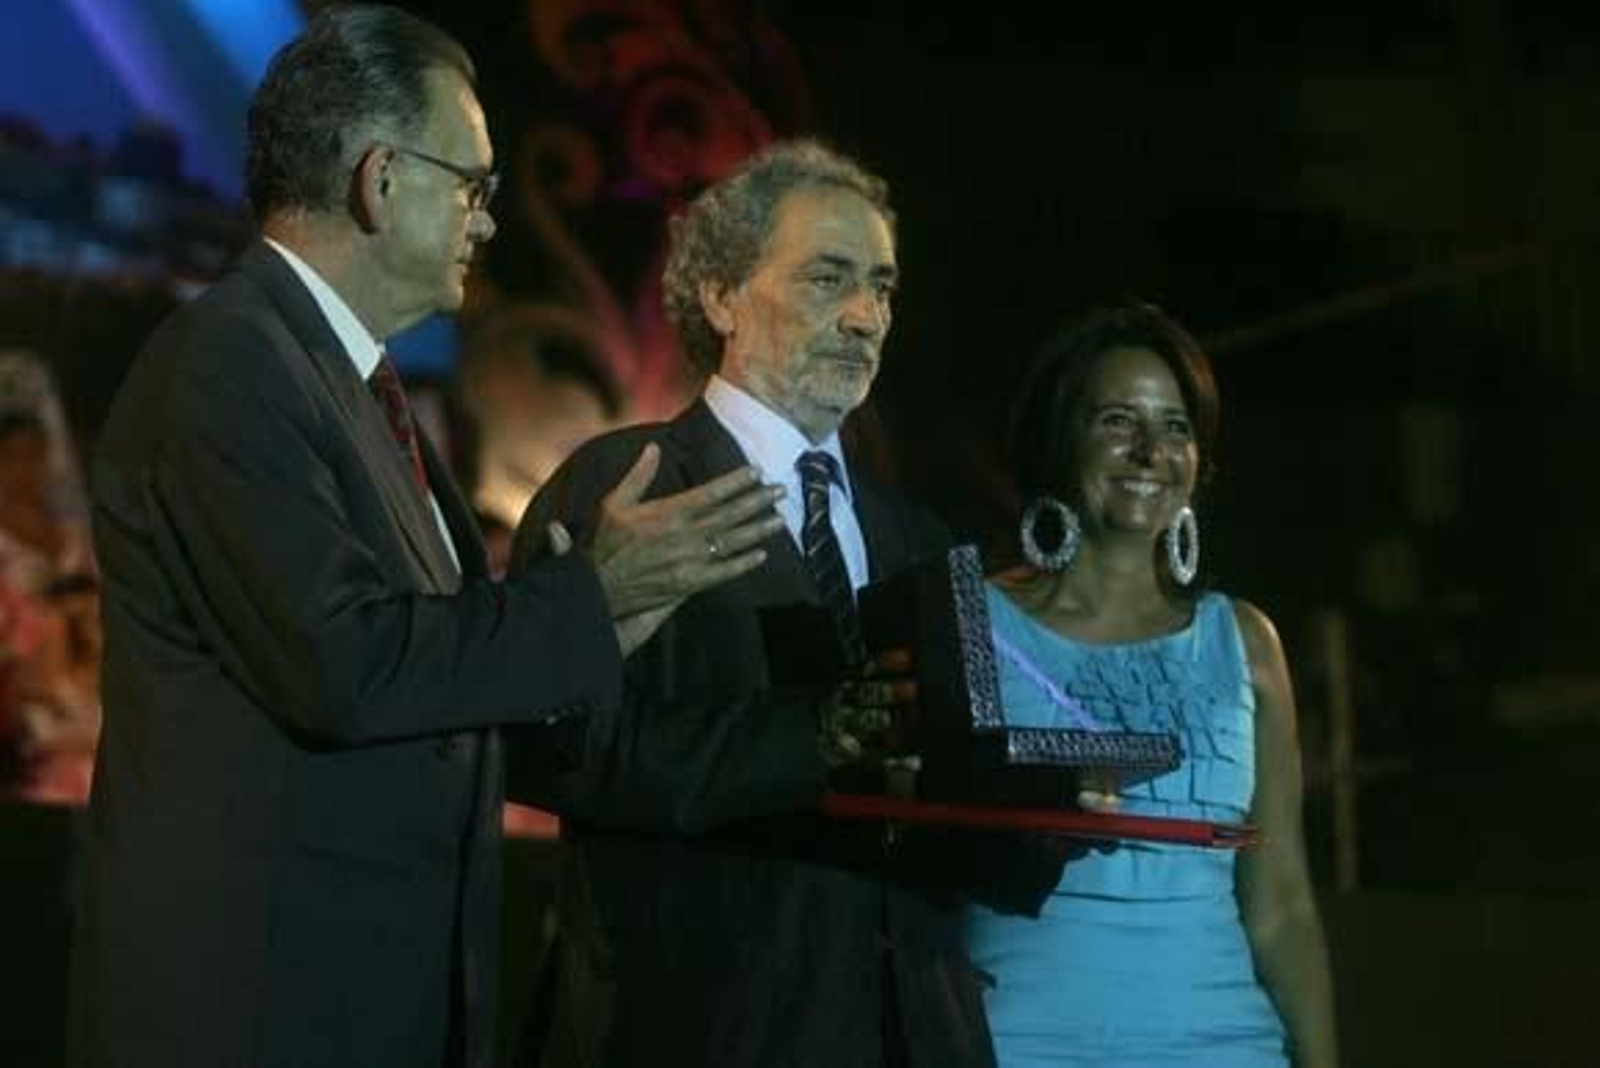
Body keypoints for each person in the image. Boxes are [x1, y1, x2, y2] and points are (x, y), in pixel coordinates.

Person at [66, 7, 784, 1068]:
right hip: (258, 1012)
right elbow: (346, 664)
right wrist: (589, 595)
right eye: (473, 186)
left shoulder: (352, 385)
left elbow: (430, 659)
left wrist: (609, 609)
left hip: (370, 1002)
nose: (488, 223)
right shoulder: (229, 363)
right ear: (380, 178)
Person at [510, 139, 1005, 1067]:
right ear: (721, 295)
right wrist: (809, 736)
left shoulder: (925, 539)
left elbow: (957, 809)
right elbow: (553, 752)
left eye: (884, 287)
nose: (866, 317)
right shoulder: (626, 485)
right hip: (698, 1027)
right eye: (828, 279)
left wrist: (1039, 790)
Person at [965, 301, 1339, 1067]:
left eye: (1175, 427)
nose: (1150, 451)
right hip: (1020, 1041)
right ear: (1061, 439)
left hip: (1227, 1045)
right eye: (1116, 421)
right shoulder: (969, 619)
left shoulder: (1245, 642)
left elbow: (1283, 907)